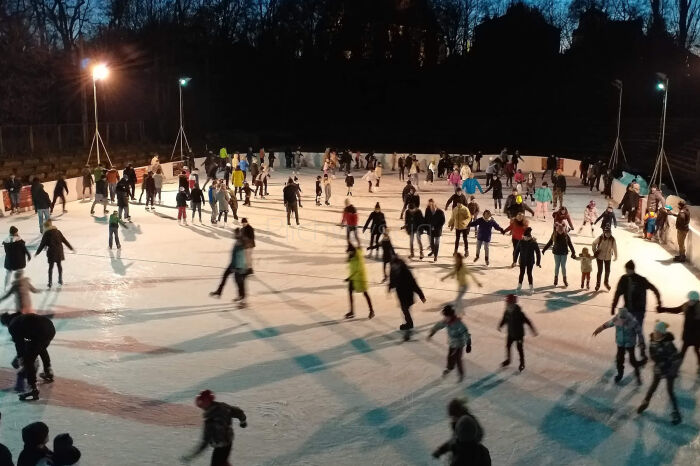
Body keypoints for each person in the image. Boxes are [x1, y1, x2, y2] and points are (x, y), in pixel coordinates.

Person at [612, 260, 662, 364]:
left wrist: (659, 302)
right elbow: (618, 293)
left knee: (637, 331)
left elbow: (654, 289)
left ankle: (640, 350)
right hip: (630, 310)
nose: (626, 271)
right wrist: (613, 305)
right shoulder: (626, 279)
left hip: (638, 311)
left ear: (631, 269)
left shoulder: (638, 280)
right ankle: (626, 351)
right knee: (630, 331)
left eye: (627, 269)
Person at [181, 389, 247, 466]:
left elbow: (205, 442)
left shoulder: (210, 420)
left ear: (207, 401)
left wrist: (192, 455)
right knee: (223, 462)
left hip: (221, 446)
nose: (200, 404)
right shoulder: (223, 407)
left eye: (202, 402)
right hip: (228, 441)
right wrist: (243, 421)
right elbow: (238, 412)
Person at [2, 312, 56, 400]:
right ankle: (48, 371)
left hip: (39, 332)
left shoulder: (12, 325)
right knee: (41, 347)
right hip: (50, 328)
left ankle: (32, 388)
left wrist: (20, 358)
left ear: (5, 323)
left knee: (28, 360)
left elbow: (19, 344)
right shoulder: (21, 318)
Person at [636, 321, 682, 424]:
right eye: (655, 331)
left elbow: (675, 357)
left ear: (662, 333)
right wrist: (657, 361)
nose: (656, 333)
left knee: (670, 391)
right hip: (659, 368)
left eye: (658, 332)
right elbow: (652, 354)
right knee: (652, 387)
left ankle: (676, 412)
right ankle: (645, 402)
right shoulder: (653, 341)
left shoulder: (668, 343)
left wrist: (667, 364)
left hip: (670, 370)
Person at [432, 400, 491, 466]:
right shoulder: (484, 452)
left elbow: (455, 441)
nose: (452, 419)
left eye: (453, 416)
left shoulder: (464, 424)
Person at [593, 307, 643, 384]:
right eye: (621, 318)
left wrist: (641, 341)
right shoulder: (617, 319)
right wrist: (599, 329)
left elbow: (639, 331)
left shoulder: (632, 321)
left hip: (630, 344)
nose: (622, 320)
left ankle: (638, 375)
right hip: (620, 343)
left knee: (632, 361)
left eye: (623, 318)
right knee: (619, 360)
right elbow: (608, 324)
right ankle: (620, 375)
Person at [657, 290, 700, 374]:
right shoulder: (686, 306)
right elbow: (676, 310)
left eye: (691, 300)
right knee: (683, 352)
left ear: (696, 300)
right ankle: (676, 367)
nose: (689, 301)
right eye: (689, 299)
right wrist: (663, 309)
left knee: (696, 350)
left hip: (697, 335)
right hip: (687, 334)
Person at [427, 305, 471, 382]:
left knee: (457, 359)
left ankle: (461, 374)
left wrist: (468, 344)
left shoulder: (458, 324)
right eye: (445, 316)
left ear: (451, 315)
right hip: (452, 343)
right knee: (450, 357)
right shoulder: (446, 321)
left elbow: (465, 333)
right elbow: (438, 326)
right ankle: (450, 368)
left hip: (459, 344)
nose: (445, 318)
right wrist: (432, 333)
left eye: (446, 316)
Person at [499, 294, 537, 371]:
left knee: (519, 348)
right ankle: (508, 360)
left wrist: (533, 330)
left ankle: (522, 363)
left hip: (519, 334)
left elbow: (527, 321)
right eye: (507, 303)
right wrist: (500, 325)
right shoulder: (507, 312)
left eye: (508, 303)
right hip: (510, 333)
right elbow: (504, 319)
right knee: (508, 346)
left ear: (513, 303)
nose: (507, 304)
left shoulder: (519, 313)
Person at [388, 255, 426, 333]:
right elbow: (392, 280)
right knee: (404, 309)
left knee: (405, 308)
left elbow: (413, 283)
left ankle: (409, 324)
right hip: (401, 294)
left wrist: (421, 295)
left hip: (407, 293)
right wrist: (390, 287)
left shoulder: (405, 271)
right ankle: (409, 323)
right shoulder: (394, 269)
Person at [210, 229, 248, 304]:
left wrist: (236, 267)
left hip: (238, 266)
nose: (234, 235)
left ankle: (242, 297)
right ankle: (219, 291)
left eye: (235, 234)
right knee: (226, 276)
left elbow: (240, 256)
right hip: (233, 264)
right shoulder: (238, 241)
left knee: (239, 281)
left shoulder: (241, 243)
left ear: (238, 234)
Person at [35, 220, 73, 288]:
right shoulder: (58, 231)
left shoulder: (46, 234)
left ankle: (50, 282)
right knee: (59, 265)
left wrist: (37, 252)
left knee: (50, 267)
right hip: (59, 251)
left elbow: (42, 245)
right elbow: (64, 240)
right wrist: (70, 248)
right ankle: (60, 280)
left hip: (52, 252)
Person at [542, 222, 577, 287]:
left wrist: (573, 252)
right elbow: (550, 242)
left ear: (563, 230)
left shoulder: (566, 235)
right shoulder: (554, 234)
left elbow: (570, 244)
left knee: (563, 266)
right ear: (557, 230)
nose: (560, 232)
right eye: (559, 230)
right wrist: (544, 249)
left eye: (562, 230)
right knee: (557, 266)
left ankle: (564, 279)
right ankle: (556, 279)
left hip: (564, 253)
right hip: (556, 253)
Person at [344, 244, 375, 320]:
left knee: (365, 294)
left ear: (352, 251)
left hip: (360, 278)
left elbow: (358, 270)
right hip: (353, 278)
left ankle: (371, 311)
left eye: (349, 252)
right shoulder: (352, 256)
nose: (349, 254)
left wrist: (349, 278)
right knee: (350, 293)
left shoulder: (359, 258)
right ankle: (352, 311)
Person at [514, 227, 541, 295]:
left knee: (529, 274)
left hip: (530, 261)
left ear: (529, 237)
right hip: (522, 260)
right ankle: (519, 286)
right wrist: (514, 260)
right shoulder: (521, 241)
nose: (525, 238)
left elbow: (538, 252)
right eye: (524, 237)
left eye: (527, 237)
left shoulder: (533, 242)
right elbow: (516, 251)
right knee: (521, 273)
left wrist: (538, 262)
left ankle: (531, 287)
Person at [591, 227, 617, 291]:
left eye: (609, 233)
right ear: (604, 233)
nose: (608, 234)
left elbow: (615, 248)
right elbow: (594, 243)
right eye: (607, 233)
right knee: (600, 271)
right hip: (599, 256)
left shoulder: (612, 239)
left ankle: (606, 282)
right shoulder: (600, 238)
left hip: (608, 257)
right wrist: (594, 252)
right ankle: (598, 284)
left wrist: (616, 256)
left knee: (607, 271)